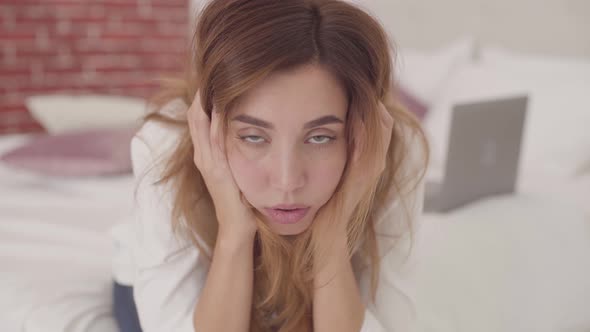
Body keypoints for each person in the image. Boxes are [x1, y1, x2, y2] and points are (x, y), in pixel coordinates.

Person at [109, 0, 429, 331]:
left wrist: (332, 238)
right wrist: (234, 230)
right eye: (253, 137)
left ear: (357, 127)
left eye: (320, 137)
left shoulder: (393, 151)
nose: (287, 181)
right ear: (211, 124)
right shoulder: (165, 143)